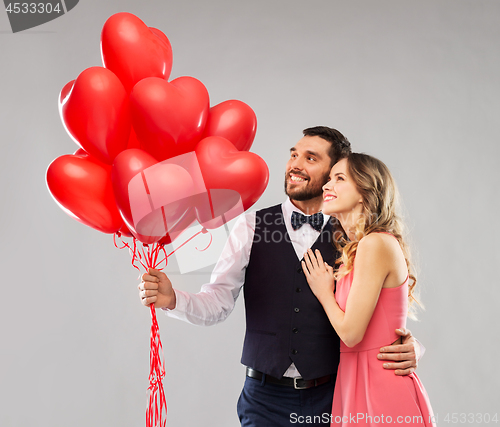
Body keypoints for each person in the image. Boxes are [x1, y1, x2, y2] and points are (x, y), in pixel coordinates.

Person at [138, 127, 422, 426]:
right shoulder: (250, 226)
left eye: (310, 158)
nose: (295, 164)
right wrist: (173, 301)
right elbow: (218, 302)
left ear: (333, 173)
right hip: (263, 399)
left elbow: (381, 308)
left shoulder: (354, 237)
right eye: (293, 155)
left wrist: (409, 346)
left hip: (332, 395)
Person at [302, 153, 435, 426]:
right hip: (353, 383)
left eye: (339, 179)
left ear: (365, 192)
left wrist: (324, 292)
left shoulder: (375, 244)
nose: (327, 186)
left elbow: (351, 333)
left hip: (380, 387)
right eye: (328, 179)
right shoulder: (357, 248)